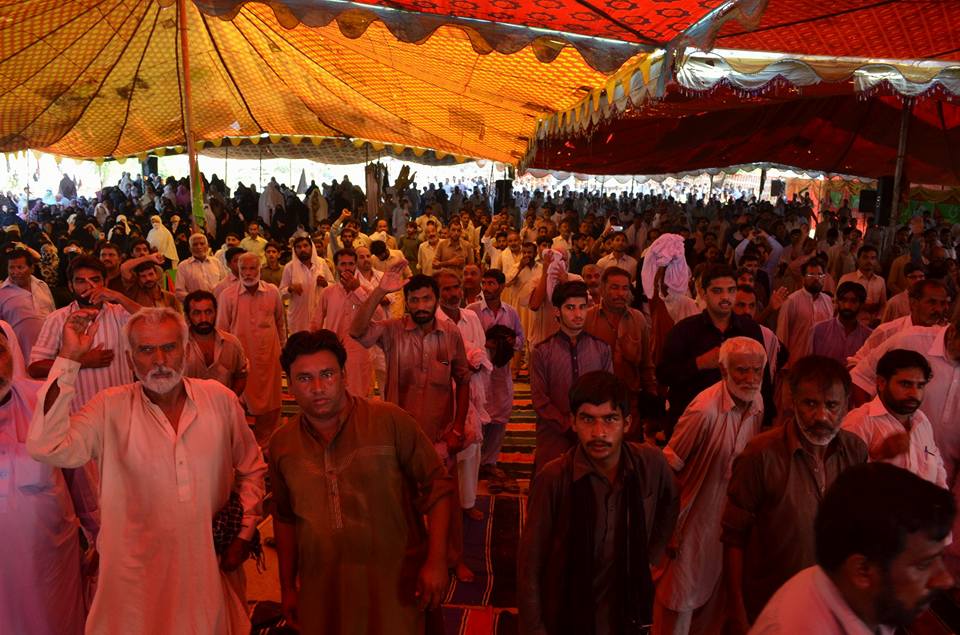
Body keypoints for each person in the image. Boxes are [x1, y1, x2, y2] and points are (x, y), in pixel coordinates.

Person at [27, 307, 266, 634]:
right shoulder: (108, 406)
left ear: (185, 350)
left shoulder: (219, 400)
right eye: (146, 350)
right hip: (134, 580)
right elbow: (46, 446)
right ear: (129, 359)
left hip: (207, 570)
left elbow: (252, 468)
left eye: (169, 347)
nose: (160, 360)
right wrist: (69, 358)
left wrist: (244, 531)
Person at [269, 330, 453, 634]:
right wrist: (287, 587)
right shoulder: (282, 444)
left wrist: (436, 561)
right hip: (323, 588)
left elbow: (439, 487)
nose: (318, 388)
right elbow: (284, 517)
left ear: (344, 375)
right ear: (289, 384)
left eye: (327, 374)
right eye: (304, 378)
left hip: (395, 583)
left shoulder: (389, 420)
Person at [519, 371, 679, 635]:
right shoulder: (554, 479)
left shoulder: (650, 464)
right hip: (569, 611)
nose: (599, 433)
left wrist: (650, 556)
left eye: (610, 419)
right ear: (573, 422)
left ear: (627, 423)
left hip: (626, 610)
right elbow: (530, 564)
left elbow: (670, 502)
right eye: (587, 419)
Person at [722, 356, 867, 631]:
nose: (821, 416)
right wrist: (736, 609)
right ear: (793, 401)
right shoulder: (760, 455)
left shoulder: (855, 451)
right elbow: (733, 538)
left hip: (829, 608)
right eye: (810, 404)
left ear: (847, 404)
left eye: (832, 405)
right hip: (768, 605)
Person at [350, 268, 473, 581]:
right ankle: (408, 557)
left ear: (436, 300)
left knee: (447, 500)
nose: (421, 306)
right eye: (414, 300)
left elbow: (463, 379)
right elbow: (356, 331)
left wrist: (458, 428)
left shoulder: (450, 333)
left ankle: (453, 558)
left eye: (426, 299)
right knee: (400, 502)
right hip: (399, 438)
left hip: (440, 436)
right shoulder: (392, 331)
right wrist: (380, 291)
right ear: (406, 302)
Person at [750, 463, 955, 634]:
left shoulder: (863, 602)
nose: (945, 580)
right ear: (862, 570)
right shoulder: (798, 628)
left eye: (940, 557)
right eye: (924, 564)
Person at [654, 337, 767, 635]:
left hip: (725, 527)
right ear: (723, 370)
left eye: (757, 370)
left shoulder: (757, 402)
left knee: (715, 609)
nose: (751, 378)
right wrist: (669, 528)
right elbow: (668, 468)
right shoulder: (704, 410)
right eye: (742, 370)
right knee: (678, 604)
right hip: (690, 524)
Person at [0, 327, 87, 635]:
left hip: (49, 563)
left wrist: (98, 535)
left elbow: (80, 477)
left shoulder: (43, 400)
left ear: (13, 353)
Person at [657, 265, 766, 432]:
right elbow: (664, 374)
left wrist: (765, 420)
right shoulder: (684, 330)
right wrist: (699, 363)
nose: (725, 297)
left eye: (731, 290)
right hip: (692, 422)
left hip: (738, 422)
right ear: (702, 293)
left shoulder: (750, 330)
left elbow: (764, 378)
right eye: (717, 291)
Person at [28, 256, 141, 410]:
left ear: (105, 282)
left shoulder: (120, 313)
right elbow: (35, 368)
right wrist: (81, 361)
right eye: (81, 281)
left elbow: (153, 321)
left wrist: (118, 296)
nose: (89, 286)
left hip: (122, 410)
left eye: (95, 280)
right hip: (79, 413)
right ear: (70, 286)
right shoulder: (57, 319)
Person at [531, 280, 613, 475]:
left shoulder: (601, 349)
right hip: (554, 434)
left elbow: (609, 393)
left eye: (582, 307)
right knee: (551, 481)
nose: (578, 314)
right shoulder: (542, 352)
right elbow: (540, 400)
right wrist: (568, 425)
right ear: (557, 311)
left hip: (594, 434)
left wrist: (589, 425)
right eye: (570, 308)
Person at [843, 349, 946, 487]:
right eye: (905, 384)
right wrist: (879, 456)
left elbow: (938, 472)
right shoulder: (859, 422)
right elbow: (844, 482)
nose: (914, 393)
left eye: (920, 386)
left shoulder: (922, 421)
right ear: (881, 383)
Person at [436, 269, 492, 521]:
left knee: (472, 450)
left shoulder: (470, 317)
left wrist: (475, 365)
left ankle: (467, 502)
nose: (453, 293)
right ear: (437, 293)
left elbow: (482, 352)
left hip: (471, 392)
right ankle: (442, 505)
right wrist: (458, 367)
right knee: (444, 450)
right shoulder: (432, 321)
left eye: (456, 287)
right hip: (442, 395)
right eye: (446, 289)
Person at [216, 252, 286, 446]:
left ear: (259, 268)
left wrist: (283, 350)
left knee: (271, 403)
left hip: (269, 357)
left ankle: (267, 444)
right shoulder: (227, 295)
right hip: (241, 361)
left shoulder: (272, 292)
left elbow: (280, 323)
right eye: (243, 269)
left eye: (252, 268)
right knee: (238, 403)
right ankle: (244, 445)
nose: (247, 273)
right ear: (237, 270)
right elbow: (221, 331)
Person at [466, 268, 524, 490]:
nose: (487, 288)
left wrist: (509, 342)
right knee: (476, 415)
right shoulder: (472, 311)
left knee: (499, 417)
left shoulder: (511, 313)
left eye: (491, 283)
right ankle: (473, 460)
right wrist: (484, 345)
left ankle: (489, 462)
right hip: (478, 373)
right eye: (485, 283)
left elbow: (520, 339)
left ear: (502, 286)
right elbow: (464, 339)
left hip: (501, 372)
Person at [584, 266, 657, 428]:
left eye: (625, 288)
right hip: (594, 402)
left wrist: (651, 400)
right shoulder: (587, 319)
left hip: (630, 402)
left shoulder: (638, 319)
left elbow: (647, 364)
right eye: (615, 288)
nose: (621, 293)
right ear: (603, 289)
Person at [312, 248, 383, 399]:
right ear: (336, 266)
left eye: (351, 264)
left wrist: (357, 290)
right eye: (343, 264)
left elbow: (379, 316)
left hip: (360, 352)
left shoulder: (366, 290)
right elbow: (316, 323)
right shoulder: (328, 293)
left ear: (355, 265)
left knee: (359, 395)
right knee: (333, 393)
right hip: (333, 351)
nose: (347, 268)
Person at [848, 279, 950, 368]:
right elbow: (855, 363)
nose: (939, 309)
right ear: (913, 303)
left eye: (943, 303)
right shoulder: (888, 332)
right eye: (932, 302)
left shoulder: (948, 335)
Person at [182, 290, 248, 396]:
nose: (204, 319)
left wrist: (230, 400)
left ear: (216, 312)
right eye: (197, 313)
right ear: (187, 316)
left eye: (208, 312)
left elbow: (241, 376)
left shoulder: (232, 343)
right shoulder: (179, 346)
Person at [776, 259, 834, 368]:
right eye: (811, 275)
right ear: (803, 278)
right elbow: (782, 335)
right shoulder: (791, 301)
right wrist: (783, 366)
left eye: (820, 275)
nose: (816, 278)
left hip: (821, 364)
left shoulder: (828, 301)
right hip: (797, 363)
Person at [0, 248, 55, 363]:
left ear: (32, 268)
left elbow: (54, 314)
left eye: (20, 267)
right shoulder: (2, 292)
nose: (15, 272)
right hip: (20, 356)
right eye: (11, 267)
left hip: (50, 352)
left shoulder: (42, 286)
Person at [280, 235, 334, 334]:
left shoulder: (321, 263)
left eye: (305, 246)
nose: (302, 249)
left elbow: (333, 286)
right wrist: (290, 289)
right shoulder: (289, 267)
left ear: (311, 247)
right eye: (299, 247)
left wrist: (325, 284)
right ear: (295, 250)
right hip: (298, 317)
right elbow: (281, 293)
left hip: (319, 314)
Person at [810, 281, 871, 365]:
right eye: (843, 300)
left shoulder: (868, 336)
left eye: (853, 301)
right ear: (837, 302)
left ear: (861, 305)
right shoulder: (819, 330)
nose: (847, 306)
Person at [838, 244, 886, 326]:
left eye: (873, 258)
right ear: (858, 259)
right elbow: (838, 302)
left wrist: (878, 319)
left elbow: (883, 304)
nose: (869, 261)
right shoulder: (847, 278)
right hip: (852, 324)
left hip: (874, 325)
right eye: (865, 257)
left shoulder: (880, 281)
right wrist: (861, 305)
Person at [175, 233, 226, 303]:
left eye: (202, 244)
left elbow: (225, 284)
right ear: (190, 248)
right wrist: (197, 301)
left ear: (207, 246)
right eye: (195, 244)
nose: (199, 247)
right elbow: (179, 292)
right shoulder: (183, 266)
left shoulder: (216, 262)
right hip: (195, 306)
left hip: (218, 304)